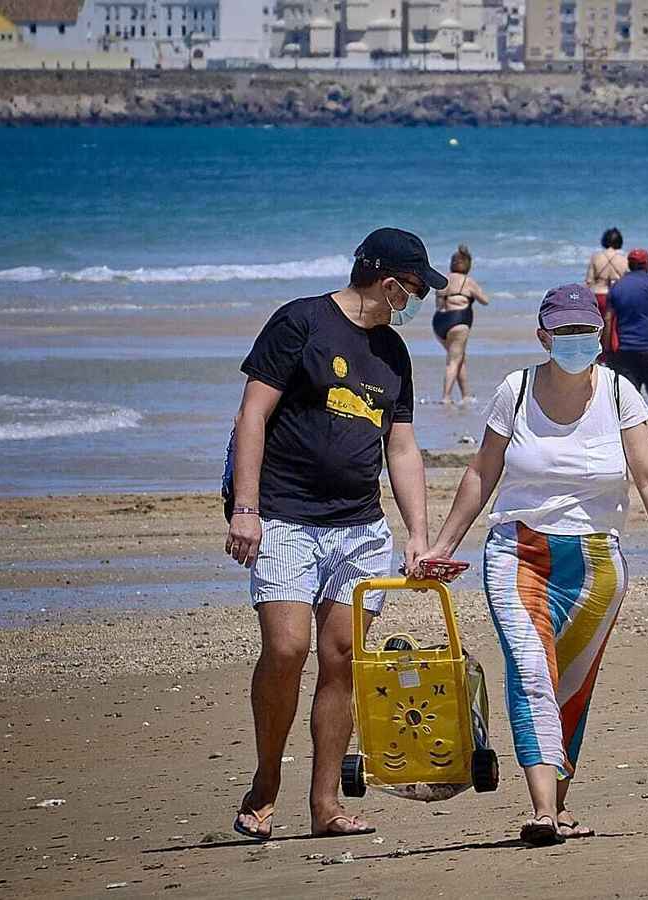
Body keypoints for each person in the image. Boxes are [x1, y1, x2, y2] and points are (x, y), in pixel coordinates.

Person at [419, 283, 648, 846]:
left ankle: (561, 806)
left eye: (585, 331)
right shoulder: (514, 391)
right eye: (565, 332)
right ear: (544, 336)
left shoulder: (621, 395)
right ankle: (542, 811)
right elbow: (482, 473)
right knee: (529, 673)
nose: (576, 341)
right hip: (517, 550)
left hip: (596, 562)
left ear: (599, 335)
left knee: (571, 685)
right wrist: (443, 545)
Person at [225, 227, 441, 840]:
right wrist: (246, 506)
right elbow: (253, 414)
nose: (419, 296)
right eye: (417, 286)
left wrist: (417, 535)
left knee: (343, 658)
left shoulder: (394, 353)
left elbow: (401, 447)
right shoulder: (299, 323)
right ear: (389, 281)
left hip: (359, 529)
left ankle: (325, 806)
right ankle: (266, 782)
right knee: (288, 648)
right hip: (285, 515)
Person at [604, 248, 648, 447]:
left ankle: (627, 440)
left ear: (629, 264)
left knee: (627, 397)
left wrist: (607, 349)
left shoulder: (617, 287)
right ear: (645, 265)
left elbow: (608, 319)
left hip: (625, 351)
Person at [432, 243, 490, 405]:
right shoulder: (468, 282)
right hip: (458, 322)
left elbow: (438, 303)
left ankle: (466, 396)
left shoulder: (443, 280)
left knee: (458, 358)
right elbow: (485, 301)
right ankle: (446, 397)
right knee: (453, 360)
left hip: (438, 322)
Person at [585, 228, 628, 354]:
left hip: (598, 295)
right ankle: (613, 353)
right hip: (616, 296)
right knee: (614, 328)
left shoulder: (596, 258)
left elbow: (588, 280)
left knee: (598, 328)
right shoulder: (623, 259)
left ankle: (600, 354)